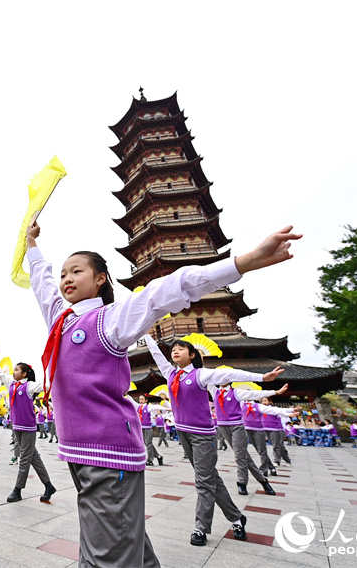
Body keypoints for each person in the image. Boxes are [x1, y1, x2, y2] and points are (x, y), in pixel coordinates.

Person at [27, 219, 301, 566]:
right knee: (119, 538)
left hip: (109, 452)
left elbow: (166, 290)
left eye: (76, 271)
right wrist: (31, 244)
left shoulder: (110, 319)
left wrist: (241, 263)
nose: (66, 278)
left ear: (100, 280)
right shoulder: (60, 322)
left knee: (104, 554)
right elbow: (42, 283)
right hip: (76, 450)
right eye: (63, 272)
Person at [145, 335, 296, 546]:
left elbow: (229, 372)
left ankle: (200, 528)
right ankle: (236, 517)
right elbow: (156, 354)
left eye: (181, 348)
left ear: (192, 355)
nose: (175, 351)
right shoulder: (170, 374)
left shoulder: (201, 375)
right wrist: (145, 334)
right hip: (183, 434)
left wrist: (263, 378)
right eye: (173, 350)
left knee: (203, 481)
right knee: (210, 478)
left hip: (202, 436)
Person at [0, 352, 56, 503]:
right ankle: (49, 486)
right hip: (16, 426)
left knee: (24, 459)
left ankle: (17, 490)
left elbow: (48, 385)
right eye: (14, 370)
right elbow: (0, 373)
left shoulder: (30, 386)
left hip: (28, 428)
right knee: (34, 458)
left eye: (17, 370)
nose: (13, 372)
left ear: (25, 373)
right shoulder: (11, 384)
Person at [213, 382, 286, 495]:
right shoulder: (214, 390)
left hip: (237, 426)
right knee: (244, 455)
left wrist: (276, 392)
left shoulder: (237, 392)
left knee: (239, 456)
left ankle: (242, 482)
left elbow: (256, 395)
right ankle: (263, 480)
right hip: (222, 426)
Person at [260, 397, 298, 466]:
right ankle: (287, 459)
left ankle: (277, 461)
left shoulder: (274, 408)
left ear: (270, 401)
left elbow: (283, 410)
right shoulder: (261, 409)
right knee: (279, 446)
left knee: (276, 445)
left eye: (265, 400)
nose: (264, 402)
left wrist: (292, 409)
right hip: (266, 428)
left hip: (276, 428)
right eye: (262, 401)